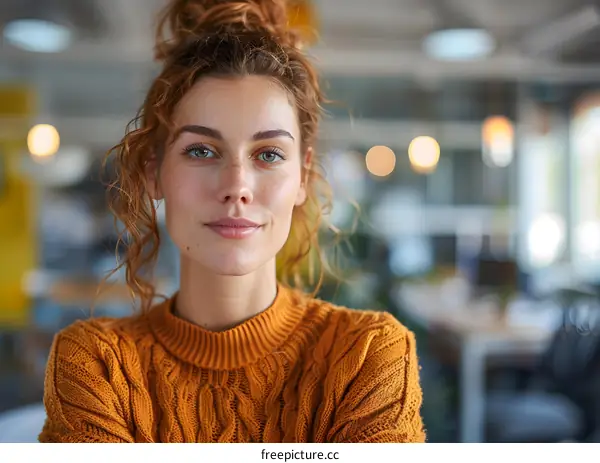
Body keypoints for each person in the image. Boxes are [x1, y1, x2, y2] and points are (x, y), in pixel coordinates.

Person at [38, 0, 425, 443]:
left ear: (302, 176)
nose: (236, 185)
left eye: (268, 155)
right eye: (201, 150)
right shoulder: (96, 366)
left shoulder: (366, 356)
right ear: (153, 170)